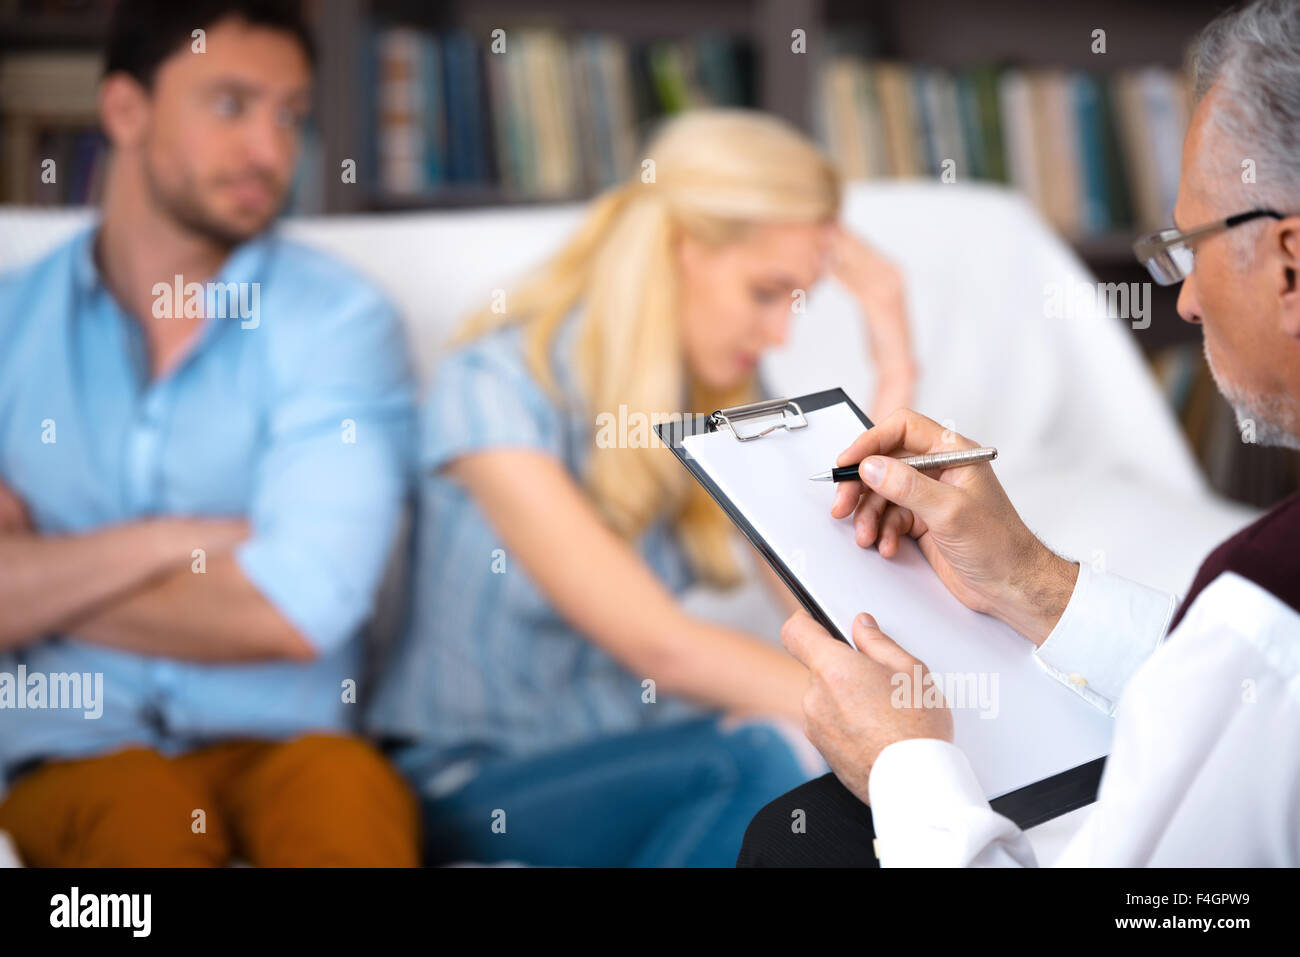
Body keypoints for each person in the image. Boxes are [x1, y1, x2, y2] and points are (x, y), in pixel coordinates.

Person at [738, 0, 1300, 867]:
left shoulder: (1264, 607)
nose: (1184, 298)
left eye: (1191, 245)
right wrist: (1034, 580)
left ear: (1290, 263)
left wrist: (906, 763)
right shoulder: (1256, 627)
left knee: (799, 836)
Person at [367, 108, 919, 866]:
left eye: (798, 302)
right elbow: (665, 647)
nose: (781, 334)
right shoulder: (491, 387)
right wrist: (908, 730)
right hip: (472, 783)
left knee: (829, 791)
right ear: (681, 248)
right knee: (773, 756)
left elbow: (837, 608)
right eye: (766, 291)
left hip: (637, 766)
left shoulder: (721, 391)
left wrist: (896, 364)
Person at [0, 0, 419, 866]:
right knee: (136, 820)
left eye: (290, 115)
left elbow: (296, 606)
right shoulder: (9, 325)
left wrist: (44, 578)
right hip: (74, 754)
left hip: (290, 746)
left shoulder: (339, 322)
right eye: (230, 104)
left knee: (345, 796)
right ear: (125, 110)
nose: (271, 151)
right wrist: (176, 540)